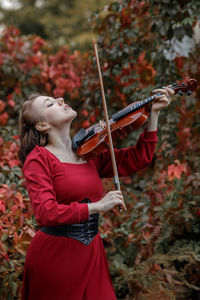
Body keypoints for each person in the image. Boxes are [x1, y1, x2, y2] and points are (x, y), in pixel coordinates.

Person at [18, 87, 174, 300]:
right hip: (56, 258)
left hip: (92, 252)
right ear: (42, 125)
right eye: (50, 103)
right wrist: (97, 206)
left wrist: (153, 115)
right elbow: (46, 213)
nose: (61, 99)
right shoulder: (39, 159)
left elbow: (139, 158)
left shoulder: (88, 152)